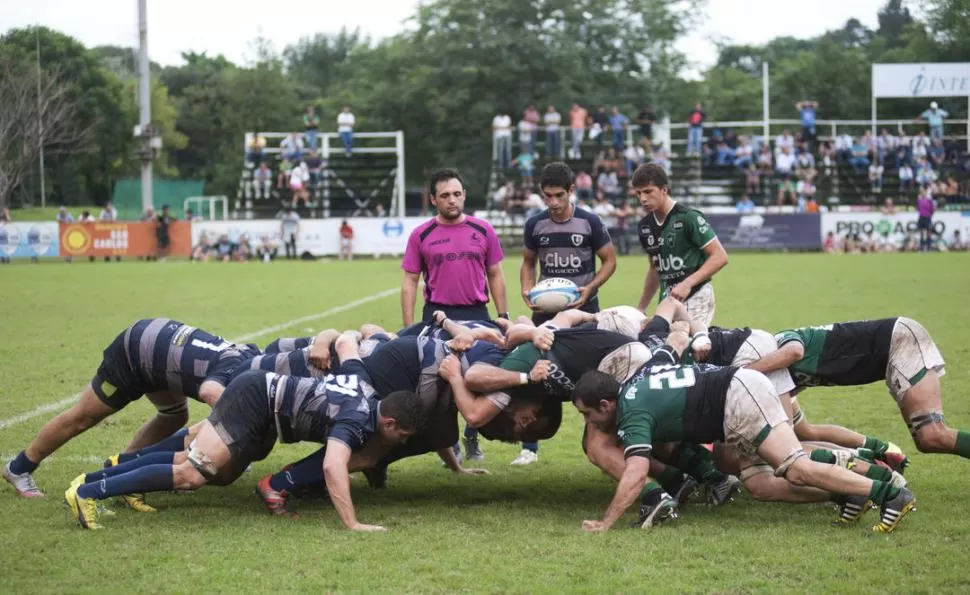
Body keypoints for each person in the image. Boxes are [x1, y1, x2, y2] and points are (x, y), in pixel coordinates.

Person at [572, 335, 916, 534]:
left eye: (588, 414)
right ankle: (847, 494)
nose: (589, 422)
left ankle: (887, 492)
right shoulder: (634, 388)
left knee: (795, 466)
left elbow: (635, 472)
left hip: (736, 398)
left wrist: (607, 522)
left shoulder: (631, 412)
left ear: (605, 404)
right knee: (759, 483)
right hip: (736, 392)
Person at [64, 345, 424, 531]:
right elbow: (332, 465)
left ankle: (92, 480)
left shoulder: (364, 384)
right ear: (389, 422)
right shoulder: (359, 420)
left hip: (262, 400)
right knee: (192, 474)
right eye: (402, 436)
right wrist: (353, 523)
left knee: (195, 465)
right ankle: (88, 493)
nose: (400, 443)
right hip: (253, 400)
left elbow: (347, 344)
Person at [3, 318, 258, 501]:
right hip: (135, 353)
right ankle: (19, 468)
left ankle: (120, 473)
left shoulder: (253, 359)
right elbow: (217, 399)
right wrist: (228, 446)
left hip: (160, 353)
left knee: (174, 415)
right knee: (84, 416)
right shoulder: (238, 371)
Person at [748, 317, 968, 468]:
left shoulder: (778, 343)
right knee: (927, 441)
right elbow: (804, 432)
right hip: (891, 354)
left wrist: (745, 372)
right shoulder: (773, 379)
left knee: (932, 436)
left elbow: (794, 351)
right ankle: (877, 454)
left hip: (900, 340)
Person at [515, 163, 617, 466]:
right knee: (536, 376)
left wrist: (590, 288)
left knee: (592, 377)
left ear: (572, 191)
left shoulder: (590, 222)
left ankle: (600, 442)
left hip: (584, 311)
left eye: (559, 195)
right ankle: (529, 447)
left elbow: (609, 261)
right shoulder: (535, 224)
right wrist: (526, 289)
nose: (554, 203)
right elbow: (528, 262)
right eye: (547, 196)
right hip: (546, 315)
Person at [401, 168, 508, 327]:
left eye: (457, 194)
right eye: (445, 195)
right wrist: (409, 328)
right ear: (433, 199)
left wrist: (503, 316)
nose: (452, 200)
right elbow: (410, 282)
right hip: (436, 314)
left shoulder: (484, 230)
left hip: (477, 313)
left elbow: (495, 274)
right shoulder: (420, 235)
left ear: (464, 195)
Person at [633, 163, 728, 326]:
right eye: (638, 193)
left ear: (664, 189)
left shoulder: (688, 217)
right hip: (668, 301)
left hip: (696, 294)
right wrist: (641, 308)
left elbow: (720, 256)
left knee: (686, 344)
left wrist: (687, 284)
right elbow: (655, 268)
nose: (643, 199)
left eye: (648, 191)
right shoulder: (645, 226)